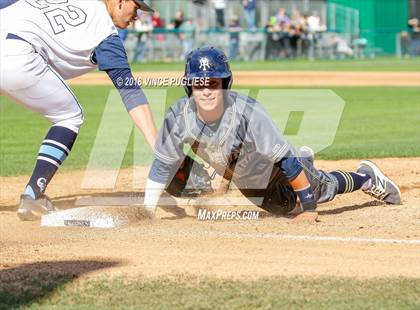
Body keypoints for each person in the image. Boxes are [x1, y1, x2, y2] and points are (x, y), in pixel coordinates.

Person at [143, 47, 401, 222]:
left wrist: (310, 209)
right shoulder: (179, 117)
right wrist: (146, 212)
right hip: (251, 183)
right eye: (199, 84)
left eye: (213, 83)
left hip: (279, 172)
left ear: (225, 84)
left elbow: (286, 162)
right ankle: (305, 162)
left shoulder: (248, 113)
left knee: (322, 188)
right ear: (189, 86)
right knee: (284, 210)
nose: (206, 90)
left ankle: (366, 177)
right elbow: (161, 164)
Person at [0, 0, 158, 220]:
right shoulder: (105, 34)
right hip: (17, 56)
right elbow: (129, 91)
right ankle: (33, 195)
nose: (137, 15)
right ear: (120, 1)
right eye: (136, 7)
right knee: (69, 116)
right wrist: (157, 146)